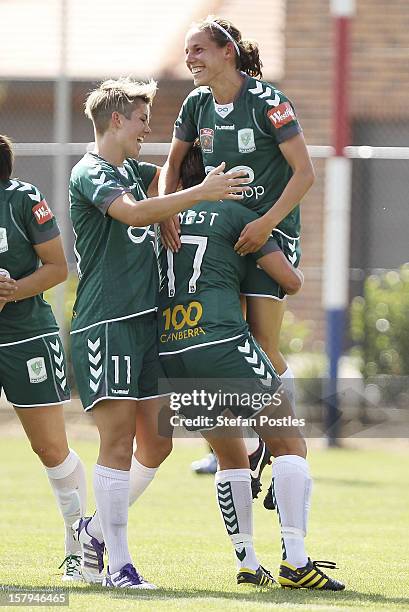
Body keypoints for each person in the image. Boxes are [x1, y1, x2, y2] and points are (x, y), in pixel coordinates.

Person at [68, 77, 250, 589]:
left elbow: (164, 177)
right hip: (107, 322)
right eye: (143, 119)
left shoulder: (130, 168)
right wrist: (194, 195)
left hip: (147, 324)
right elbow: (130, 213)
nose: (150, 128)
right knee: (119, 443)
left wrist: (173, 200)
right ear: (118, 120)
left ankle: (93, 528)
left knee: (158, 444)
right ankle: (118, 567)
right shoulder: (91, 171)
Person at [158, 145, 344, 590]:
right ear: (214, 175)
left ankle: (246, 562)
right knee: (291, 447)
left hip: (172, 352)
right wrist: (259, 248)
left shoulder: (160, 221)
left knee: (230, 458)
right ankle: (296, 564)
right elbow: (291, 282)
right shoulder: (234, 214)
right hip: (222, 345)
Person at [159, 16, 315, 489]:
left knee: (263, 345)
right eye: (188, 52)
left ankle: (279, 438)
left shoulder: (269, 102)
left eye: (199, 50)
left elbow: (304, 173)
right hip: (223, 235)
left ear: (227, 52)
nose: (191, 60)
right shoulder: (196, 103)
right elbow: (171, 163)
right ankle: (238, 444)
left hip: (268, 236)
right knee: (223, 339)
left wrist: (265, 222)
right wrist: (167, 209)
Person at [0, 134, 87, 581]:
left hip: (25, 335)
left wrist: (12, 289)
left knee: (49, 446)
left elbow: (57, 267)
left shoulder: (21, 199)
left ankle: (80, 542)